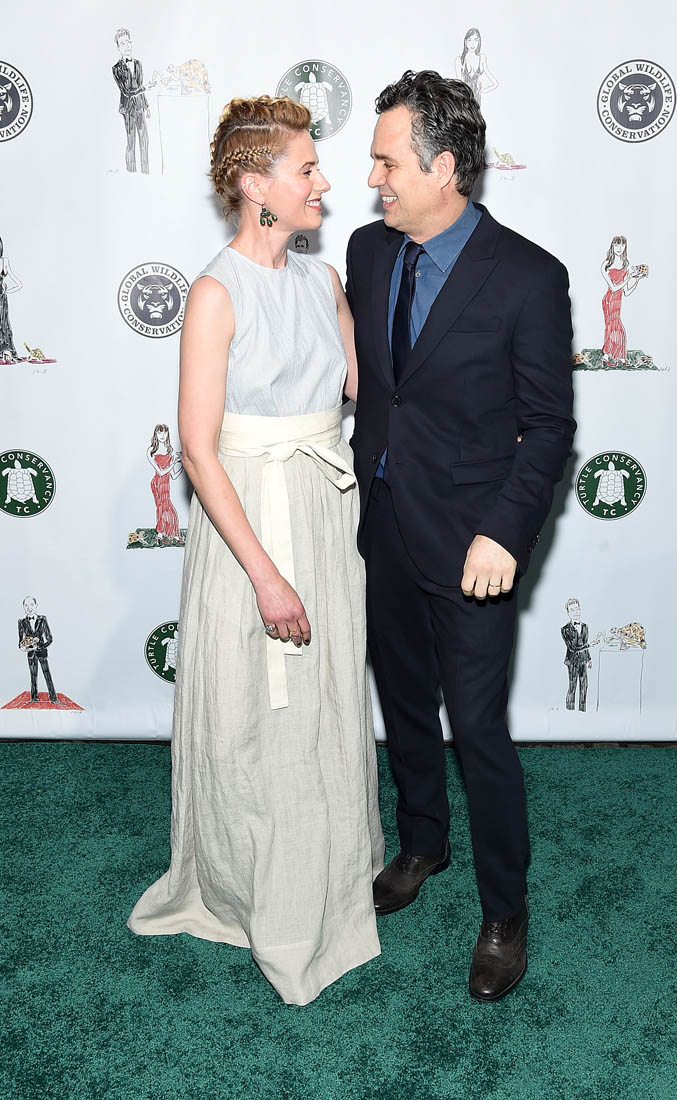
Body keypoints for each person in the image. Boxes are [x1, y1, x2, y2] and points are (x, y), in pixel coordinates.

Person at [128, 95, 384, 1006]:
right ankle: (253, 895)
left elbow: (362, 390)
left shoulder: (322, 280)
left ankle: (326, 882)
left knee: (322, 703)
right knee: (251, 712)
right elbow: (199, 452)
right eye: (305, 168)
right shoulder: (214, 293)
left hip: (323, 505)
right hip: (248, 523)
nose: (324, 182)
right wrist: (267, 576)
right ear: (253, 184)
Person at [346, 70, 575, 1001]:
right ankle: (421, 842)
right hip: (382, 526)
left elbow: (548, 427)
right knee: (402, 698)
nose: (372, 178)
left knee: (476, 728)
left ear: (443, 168)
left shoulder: (527, 276)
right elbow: (378, 387)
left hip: (474, 547)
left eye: (387, 161)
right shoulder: (367, 252)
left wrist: (504, 534)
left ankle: (504, 912)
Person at [600, 235, 645, 366]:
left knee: (616, 329)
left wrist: (637, 280)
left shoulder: (626, 265)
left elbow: (626, 292)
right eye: (616, 245)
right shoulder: (606, 264)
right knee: (614, 328)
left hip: (618, 301)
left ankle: (610, 357)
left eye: (622, 245)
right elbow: (614, 288)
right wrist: (629, 277)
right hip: (609, 301)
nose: (619, 248)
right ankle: (613, 357)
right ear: (612, 247)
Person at [112, 29, 150, 174]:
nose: (127, 46)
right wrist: (144, 88)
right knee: (131, 141)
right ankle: (131, 174)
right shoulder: (116, 69)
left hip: (140, 107)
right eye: (123, 43)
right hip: (127, 109)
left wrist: (146, 106)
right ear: (118, 47)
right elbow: (126, 92)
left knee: (145, 139)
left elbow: (139, 85)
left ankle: (146, 172)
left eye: (128, 42)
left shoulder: (138, 64)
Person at [18, 597, 60, 707]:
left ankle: (54, 698)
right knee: (33, 676)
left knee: (47, 675)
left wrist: (40, 647)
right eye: (26, 605)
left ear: (36, 606)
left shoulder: (43, 619)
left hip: (42, 652)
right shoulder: (21, 622)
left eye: (31, 605)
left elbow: (50, 639)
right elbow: (20, 643)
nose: (29, 608)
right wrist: (26, 648)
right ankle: (34, 698)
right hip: (30, 654)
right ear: (23, 607)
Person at [147, 424, 182, 544]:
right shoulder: (151, 450)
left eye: (165, 432)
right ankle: (167, 534)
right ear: (155, 434)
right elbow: (161, 472)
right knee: (163, 508)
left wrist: (182, 463)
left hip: (166, 485)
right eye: (159, 432)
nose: (162, 435)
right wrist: (174, 462)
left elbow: (173, 476)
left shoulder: (169, 450)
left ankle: (162, 534)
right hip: (157, 484)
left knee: (167, 509)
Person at [561, 598, 591, 711]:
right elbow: (572, 648)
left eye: (577, 609)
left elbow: (585, 643)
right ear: (568, 613)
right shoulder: (565, 629)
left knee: (584, 686)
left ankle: (582, 711)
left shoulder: (585, 627)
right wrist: (589, 645)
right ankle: (570, 710)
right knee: (572, 686)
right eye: (572, 610)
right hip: (572, 661)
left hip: (583, 660)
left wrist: (589, 658)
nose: (576, 612)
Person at [454, 28, 498, 106]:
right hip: (464, 100)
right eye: (469, 40)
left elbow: (495, 83)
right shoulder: (459, 60)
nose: (472, 44)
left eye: (476, 40)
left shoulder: (482, 58)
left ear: (479, 41)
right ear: (465, 42)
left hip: (476, 100)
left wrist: (482, 91)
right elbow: (459, 85)